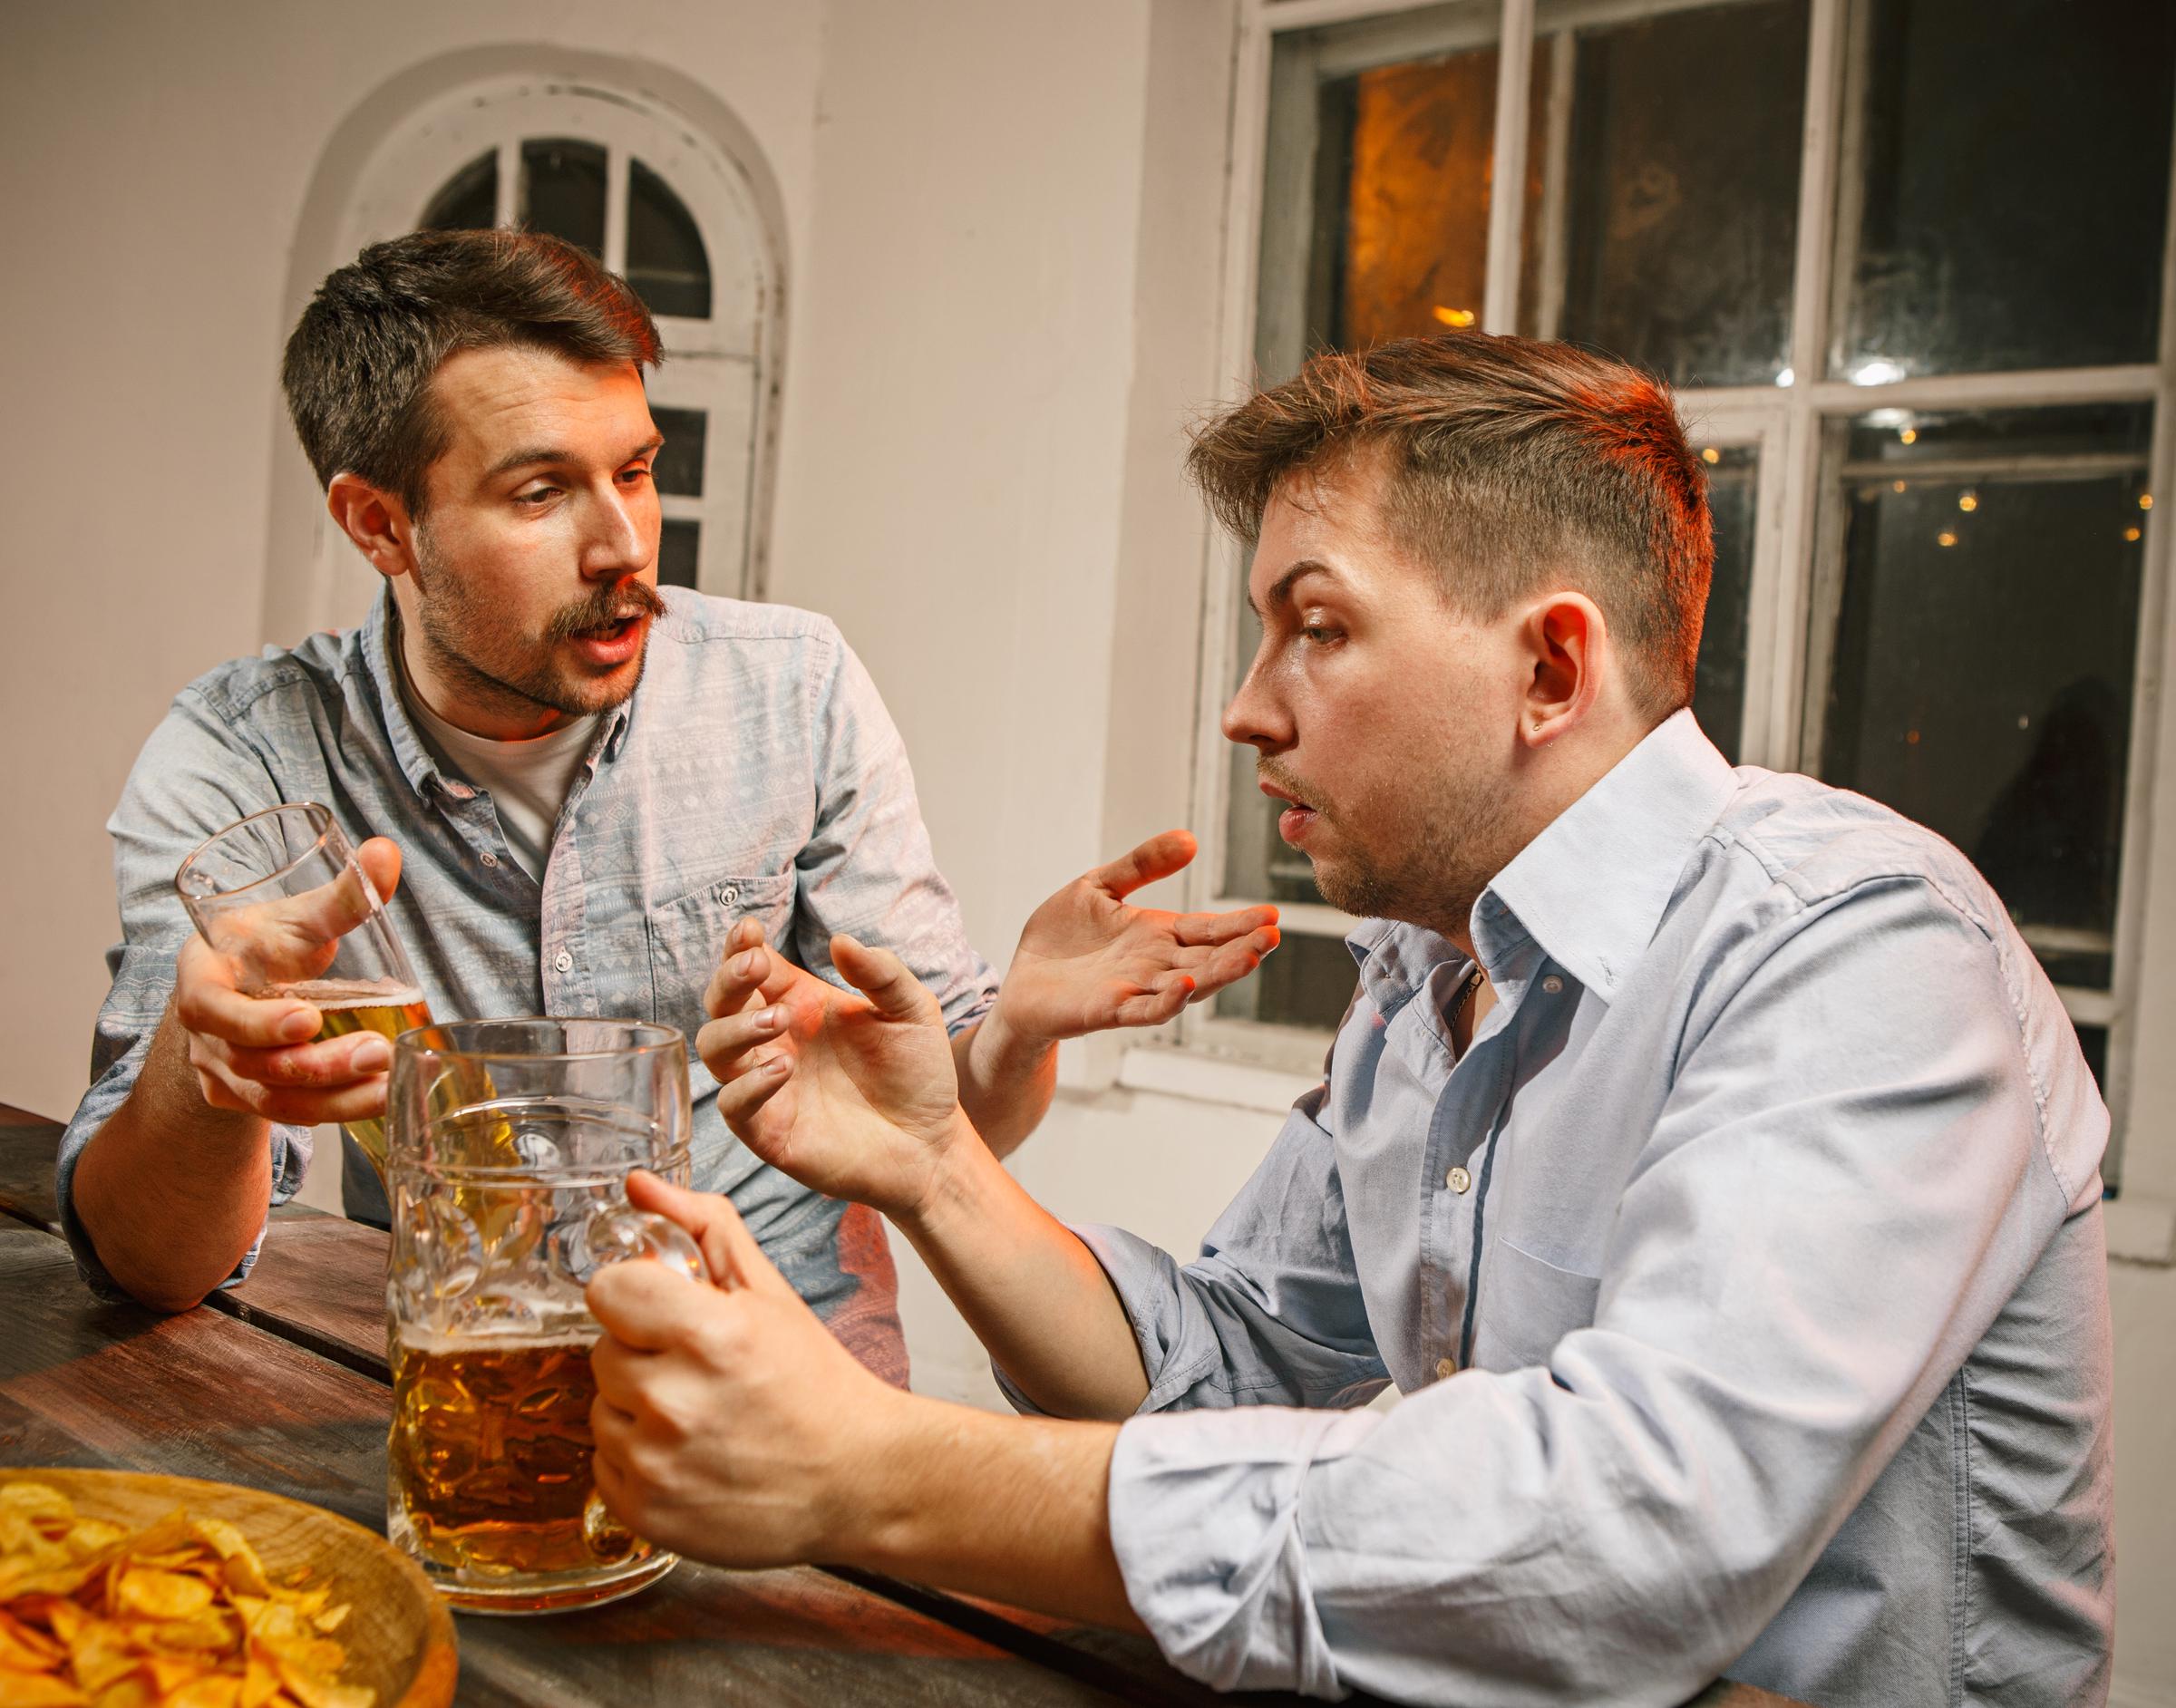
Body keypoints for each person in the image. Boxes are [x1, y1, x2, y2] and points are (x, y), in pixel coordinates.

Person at [584, 335, 2114, 1707]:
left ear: (1550, 667)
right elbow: (1228, 1365)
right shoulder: (1423, 975)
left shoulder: (1855, 950)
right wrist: (936, 1165)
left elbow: (1630, 1541)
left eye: (1315, 628)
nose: (1250, 708)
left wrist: (869, 1469)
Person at [56, 228, 1278, 1384]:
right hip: (471, 1411)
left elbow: (945, 1124)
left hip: (797, 1413)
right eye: (541, 494)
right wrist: (203, 1064)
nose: (623, 546)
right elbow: (151, 1267)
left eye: (636, 472)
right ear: (380, 524)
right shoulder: (245, 753)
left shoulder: (792, 690)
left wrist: (1016, 1031)